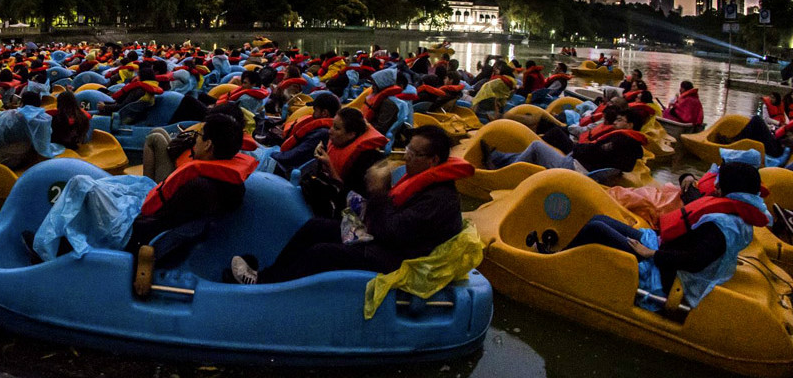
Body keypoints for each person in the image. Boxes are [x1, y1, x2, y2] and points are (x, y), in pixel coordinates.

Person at [230, 125, 472, 284]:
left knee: (322, 252)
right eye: (408, 149)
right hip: (385, 241)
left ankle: (268, 288)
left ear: (434, 160)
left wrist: (379, 192)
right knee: (316, 227)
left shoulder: (440, 199)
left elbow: (391, 232)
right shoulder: (419, 181)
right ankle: (267, 276)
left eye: (413, 153)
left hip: (399, 259)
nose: (406, 156)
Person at [558, 162, 770, 309]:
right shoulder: (735, 211)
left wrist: (651, 254)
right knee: (599, 220)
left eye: (719, 183)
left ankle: (556, 264)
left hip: (667, 272)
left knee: (597, 230)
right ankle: (563, 256)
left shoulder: (723, 226)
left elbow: (695, 260)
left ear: (728, 188)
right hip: (664, 247)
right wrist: (687, 178)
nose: (714, 186)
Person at [130, 113, 257, 250]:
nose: (195, 139)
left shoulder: (198, 188)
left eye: (199, 135)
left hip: (145, 233)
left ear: (208, 145)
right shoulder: (230, 185)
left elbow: (150, 224)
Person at [487, 108, 648, 180]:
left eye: (620, 121)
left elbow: (595, 151)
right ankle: (498, 157)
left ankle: (503, 174)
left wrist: (577, 147)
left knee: (536, 147)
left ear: (630, 125)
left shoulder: (621, 141)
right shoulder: (632, 145)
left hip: (574, 168)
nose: (615, 124)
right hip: (580, 165)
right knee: (538, 150)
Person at [301, 108, 389, 217]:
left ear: (351, 134)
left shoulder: (367, 160)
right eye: (332, 125)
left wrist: (330, 168)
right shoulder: (335, 143)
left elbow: (356, 203)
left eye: (337, 128)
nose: (330, 131)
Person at [271, 93, 340, 177]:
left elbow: (293, 156)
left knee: (253, 153)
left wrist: (270, 154)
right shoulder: (322, 130)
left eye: (315, 110)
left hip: (285, 169)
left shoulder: (322, 133)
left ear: (324, 113)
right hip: (287, 163)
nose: (313, 113)